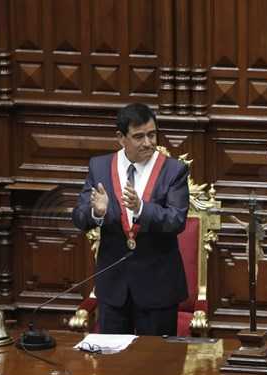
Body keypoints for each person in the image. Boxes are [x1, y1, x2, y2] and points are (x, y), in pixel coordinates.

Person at [72, 103, 189, 336]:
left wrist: (142, 209)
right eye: (138, 136)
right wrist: (98, 212)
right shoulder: (100, 167)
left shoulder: (174, 170)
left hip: (158, 288)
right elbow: (79, 217)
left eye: (152, 134)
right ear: (121, 138)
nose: (148, 143)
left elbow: (177, 220)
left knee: (157, 358)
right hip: (114, 289)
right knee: (112, 358)